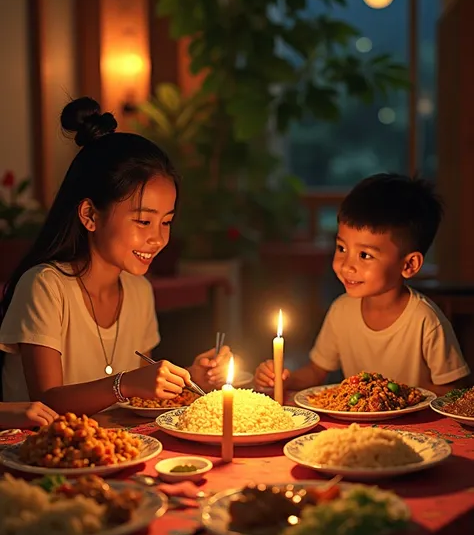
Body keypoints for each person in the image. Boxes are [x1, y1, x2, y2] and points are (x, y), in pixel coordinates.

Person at [0, 97, 230, 415]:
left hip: (116, 449)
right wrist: (127, 383)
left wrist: (187, 379)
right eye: (143, 221)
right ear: (90, 215)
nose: (158, 237)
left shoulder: (139, 291)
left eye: (166, 222)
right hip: (42, 456)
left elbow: (139, 398)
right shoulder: (44, 286)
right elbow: (47, 402)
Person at [254, 173, 470, 396]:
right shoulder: (341, 310)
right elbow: (317, 371)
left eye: (365, 255)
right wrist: (284, 378)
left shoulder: (425, 320)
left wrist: (400, 398)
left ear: (409, 264)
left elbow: (453, 388)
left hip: (417, 428)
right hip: (358, 429)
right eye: (341, 248)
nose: (347, 265)